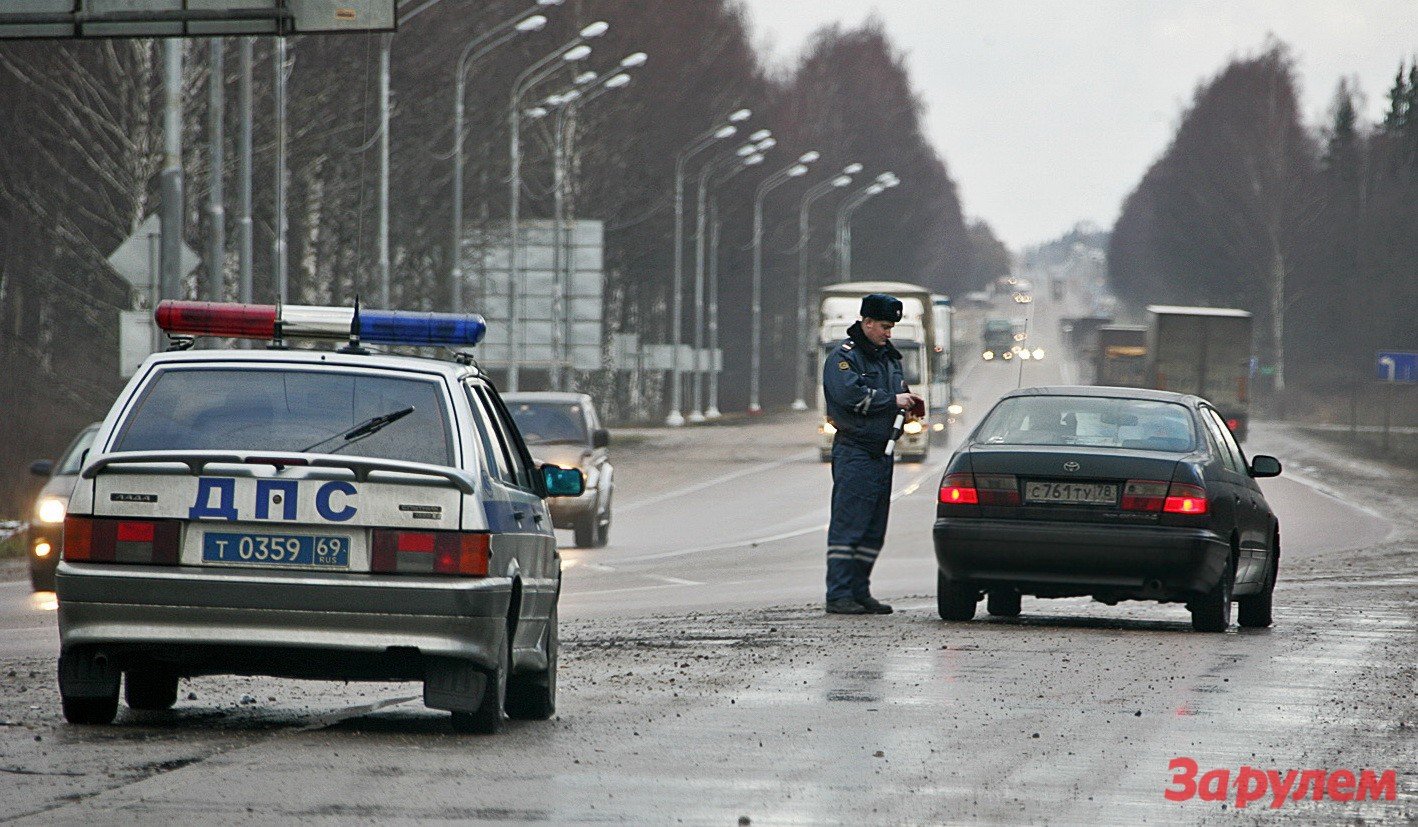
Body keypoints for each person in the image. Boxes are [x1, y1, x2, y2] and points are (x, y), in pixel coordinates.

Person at [821, 293, 923, 615]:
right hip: (855, 451)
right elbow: (850, 395)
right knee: (849, 526)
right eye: (883, 326)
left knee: (872, 529)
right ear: (866, 323)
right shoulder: (844, 357)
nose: (888, 333)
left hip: (883, 452)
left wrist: (908, 405)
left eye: (891, 327)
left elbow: (897, 392)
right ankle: (839, 594)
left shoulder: (889, 359)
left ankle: (860, 591)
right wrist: (894, 401)